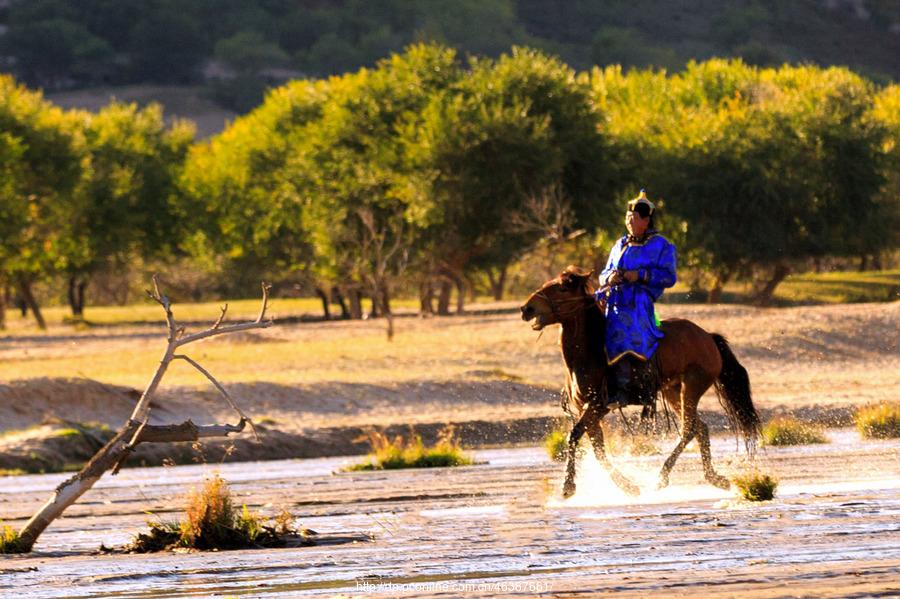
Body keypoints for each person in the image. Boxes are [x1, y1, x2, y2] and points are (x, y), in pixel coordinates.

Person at [595, 189, 677, 410]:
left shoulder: (661, 245)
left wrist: (639, 275)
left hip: (639, 300)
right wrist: (609, 277)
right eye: (627, 218)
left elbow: (670, 277)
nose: (630, 222)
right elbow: (604, 272)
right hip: (613, 297)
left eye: (634, 219)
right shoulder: (619, 244)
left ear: (646, 220)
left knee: (624, 328)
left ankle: (629, 388)